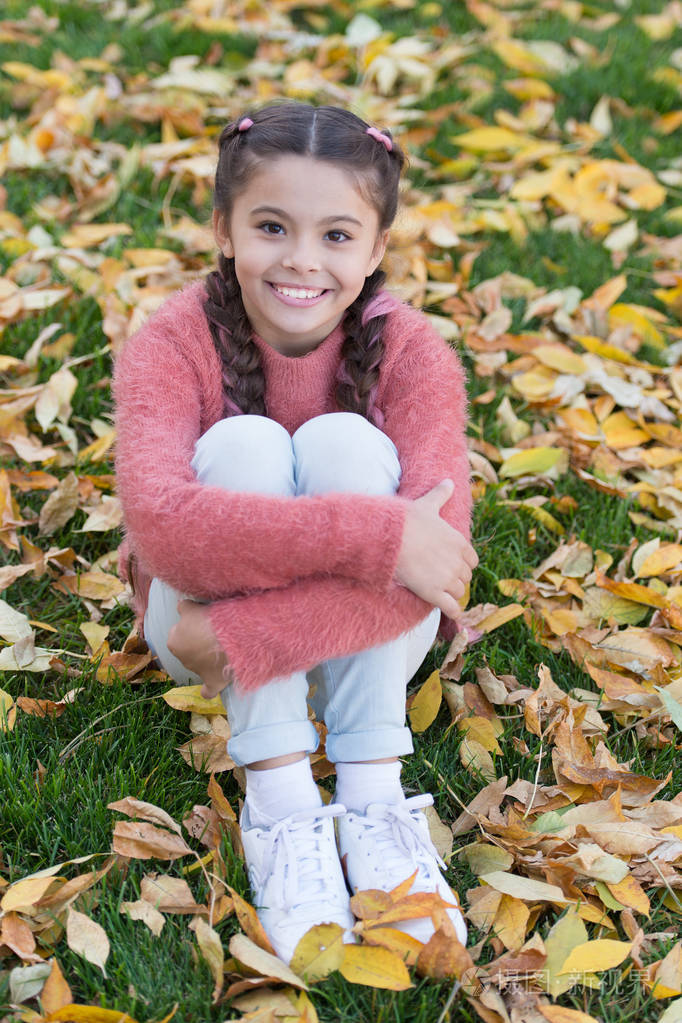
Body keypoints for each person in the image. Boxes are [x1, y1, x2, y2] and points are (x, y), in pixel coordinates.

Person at [113, 102, 477, 964]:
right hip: (188, 626)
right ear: (224, 229)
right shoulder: (169, 345)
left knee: (344, 442)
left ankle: (372, 801)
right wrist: (375, 539)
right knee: (245, 445)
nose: (303, 260)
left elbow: (442, 559)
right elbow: (167, 534)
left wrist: (241, 636)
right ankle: (279, 808)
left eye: (338, 235)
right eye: (272, 225)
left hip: (259, 639)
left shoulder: (414, 353)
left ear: (379, 248)